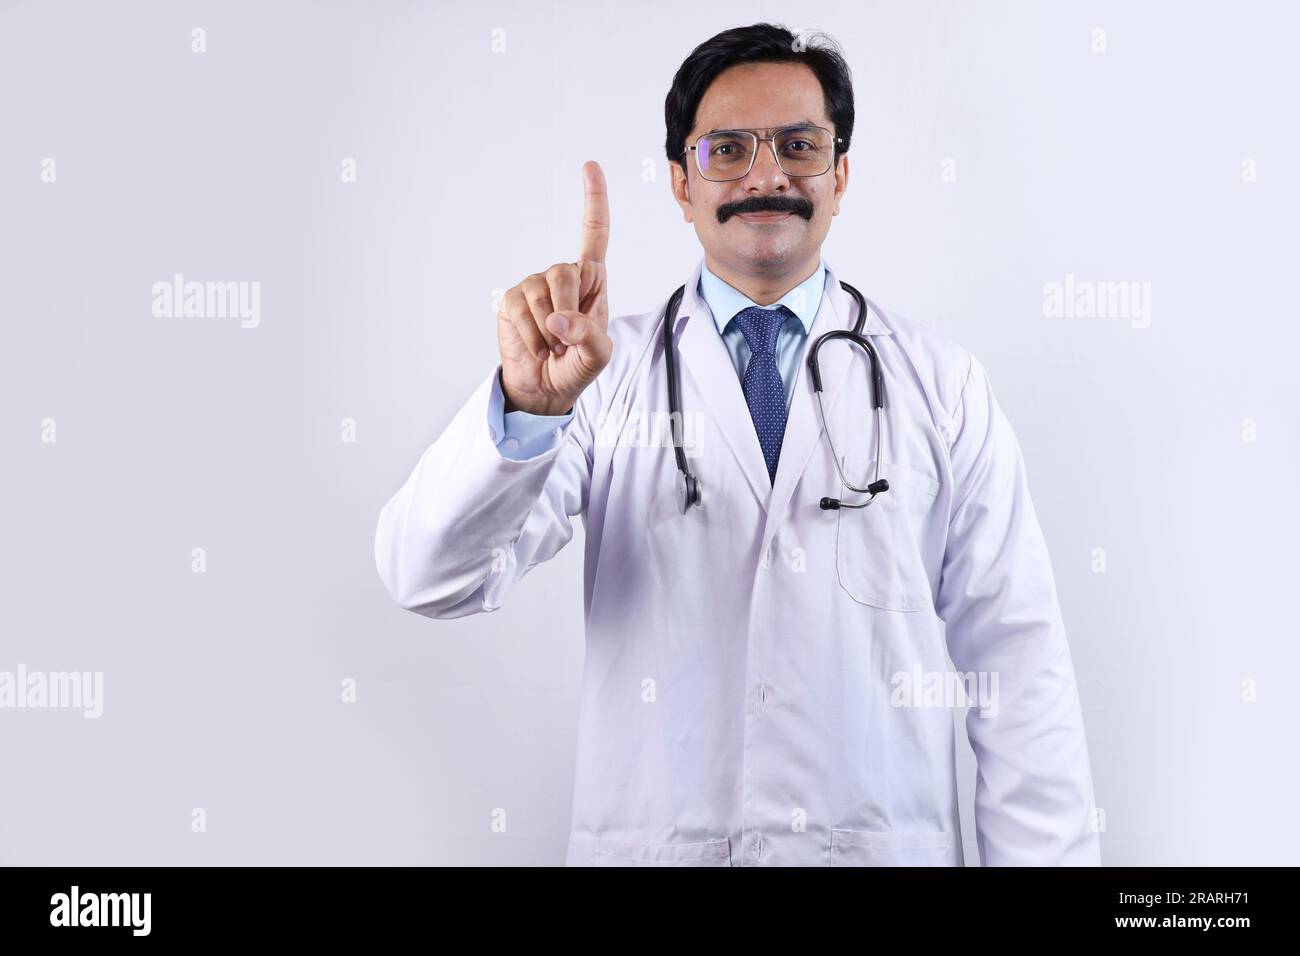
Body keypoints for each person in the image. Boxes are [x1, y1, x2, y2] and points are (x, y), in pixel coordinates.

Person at [375, 22, 1101, 867]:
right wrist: (527, 410)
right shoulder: (595, 381)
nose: (767, 174)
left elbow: (1018, 667)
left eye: (800, 144)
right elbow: (426, 576)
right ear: (682, 184)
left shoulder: (942, 385)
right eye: (728, 148)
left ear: (841, 175)